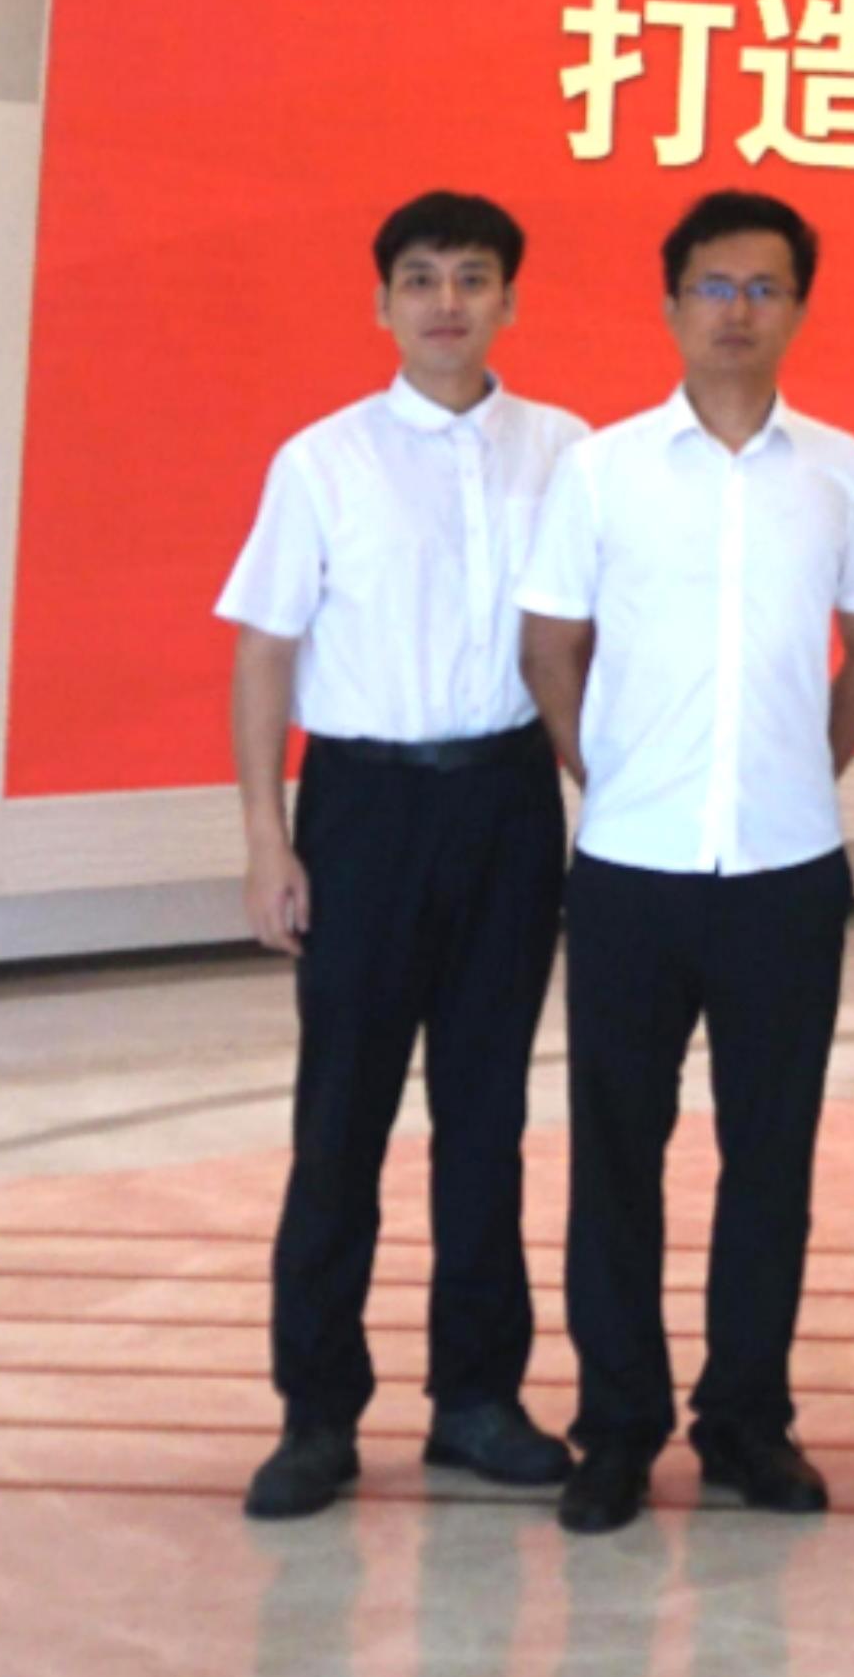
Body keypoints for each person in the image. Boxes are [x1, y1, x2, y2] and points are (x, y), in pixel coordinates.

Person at [514, 189, 854, 1537]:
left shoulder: (843, 470)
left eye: (765, 287)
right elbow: (550, 646)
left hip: (787, 866)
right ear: (671, 301)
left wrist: (810, 762)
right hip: (631, 865)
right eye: (715, 285)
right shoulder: (602, 468)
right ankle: (617, 1425)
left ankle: (747, 1419)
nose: (739, 310)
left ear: (799, 306)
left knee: (770, 1157)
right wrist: (609, 770)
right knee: (615, 1154)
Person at [224, 192, 586, 1521]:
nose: (446, 301)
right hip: (364, 807)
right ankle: (316, 1412)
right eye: (421, 277)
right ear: (382, 302)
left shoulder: (567, 450)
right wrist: (267, 836)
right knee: (342, 1119)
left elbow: (591, 637)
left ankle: (476, 1398)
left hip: (506, 797)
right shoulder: (321, 459)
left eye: (473, 277)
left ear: (509, 300)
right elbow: (264, 651)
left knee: (485, 1118)